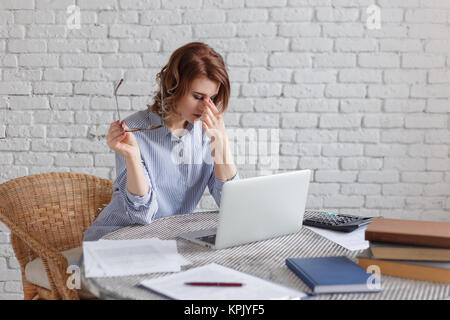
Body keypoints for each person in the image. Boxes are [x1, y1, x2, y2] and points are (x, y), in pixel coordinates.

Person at [83, 42, 239, 241]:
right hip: (116, 239)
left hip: (167, 243)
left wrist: (221, 142)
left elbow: (231, 206)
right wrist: (133, 157)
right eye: (198, 96)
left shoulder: (206, 133)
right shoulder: (133, 130)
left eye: (212, 98)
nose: (206, 107)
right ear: (173, 86)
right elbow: (142, 214)